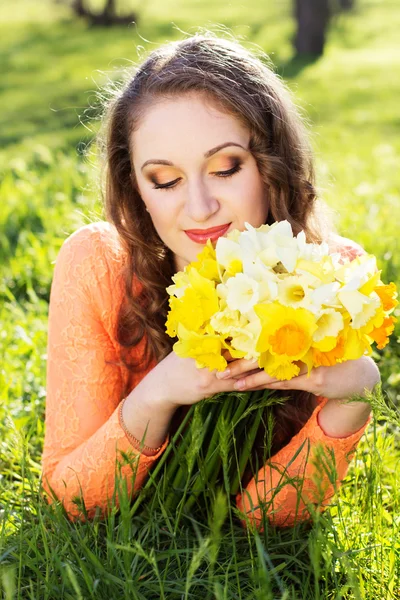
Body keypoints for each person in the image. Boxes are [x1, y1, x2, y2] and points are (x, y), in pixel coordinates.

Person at [41, 32, 379, 530]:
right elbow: (70, 501)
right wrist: (159, 394)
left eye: (225, 168)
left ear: (272, 166)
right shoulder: (99, 264)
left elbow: (262, 523)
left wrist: (355, 398)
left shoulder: (334, 282)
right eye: (165, 180)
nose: (200, 208)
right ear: (136, 187)